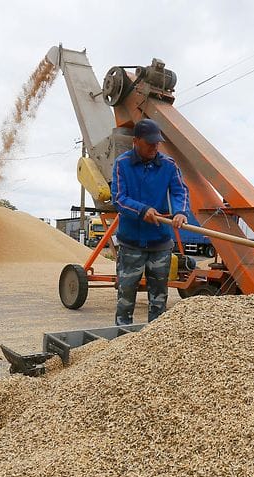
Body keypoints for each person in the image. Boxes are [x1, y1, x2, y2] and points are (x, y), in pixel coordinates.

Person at [111, 118, 188, 325]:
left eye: (157, 143)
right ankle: (122, 340)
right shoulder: (122, 164)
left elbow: (180, 191)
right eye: (150, 143)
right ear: (136, 141)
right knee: (125, 298)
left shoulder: (169, 165)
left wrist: (180, 212)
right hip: (131, 244)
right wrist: (142, 210)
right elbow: (118, 198)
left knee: (159, 301)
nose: (155, 147)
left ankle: (155, 345)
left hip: (160, 243)